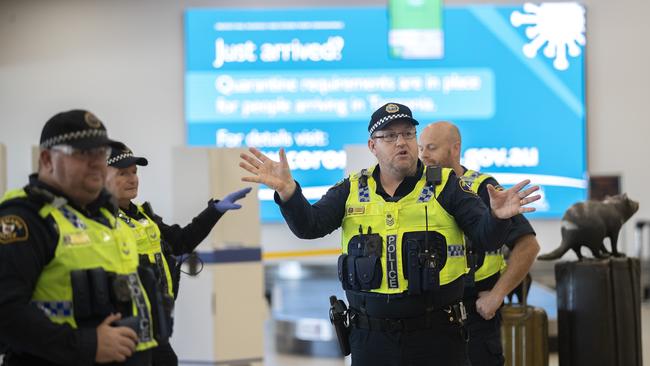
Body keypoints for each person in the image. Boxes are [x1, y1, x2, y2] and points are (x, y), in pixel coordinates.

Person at [239, 103, 540, 366]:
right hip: (370, 339)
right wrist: (288, 192)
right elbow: (310, 226)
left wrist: (498, 218)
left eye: (408, 134)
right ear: (373, 146)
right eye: (390, 136)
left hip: (436, 336)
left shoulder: (446, 185)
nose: (402, 143)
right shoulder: (352, 188)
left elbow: (485, 237)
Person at [0, 110, 161, 365]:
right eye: (83, 154)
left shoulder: (104, 215)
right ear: (47, 159)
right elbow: (7, 313)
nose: (97, 162)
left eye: (100, 153)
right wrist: (87, 345)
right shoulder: (27, 220)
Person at [104, 141, 251, 366]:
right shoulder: (99, 221)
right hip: (122, 328)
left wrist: (215, 211)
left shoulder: (144, 215)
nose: (132, 178)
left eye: (134, 172)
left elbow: (181, 242)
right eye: (122, 173)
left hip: (155, 325)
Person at [419, 121, 540, 366]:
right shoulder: (416, 190)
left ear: (455, 148)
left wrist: (497, 295)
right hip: (428, 317)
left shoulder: (484, 188)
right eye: (420, 148)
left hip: (474, 314)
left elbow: (528, 246)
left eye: (431, 148)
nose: (423, 156)